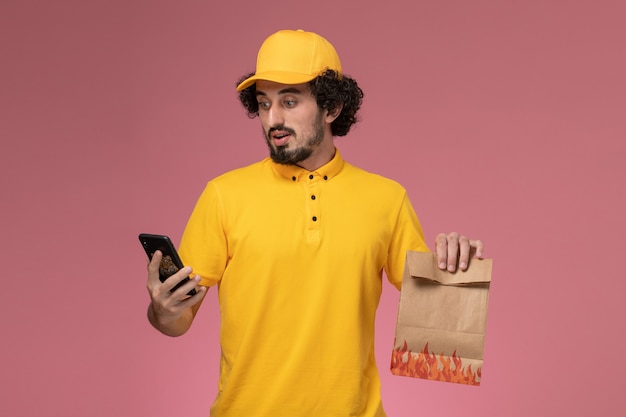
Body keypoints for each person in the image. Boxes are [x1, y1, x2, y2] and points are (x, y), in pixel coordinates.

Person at [146, 29, 484, 417]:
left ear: (332, 107)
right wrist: (163, 310)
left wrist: (459, 272)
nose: (273, 118)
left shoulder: (387, 199)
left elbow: (440, 344)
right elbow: (175, 322)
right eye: (264, 103)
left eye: (290, 101)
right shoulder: (223, 195)